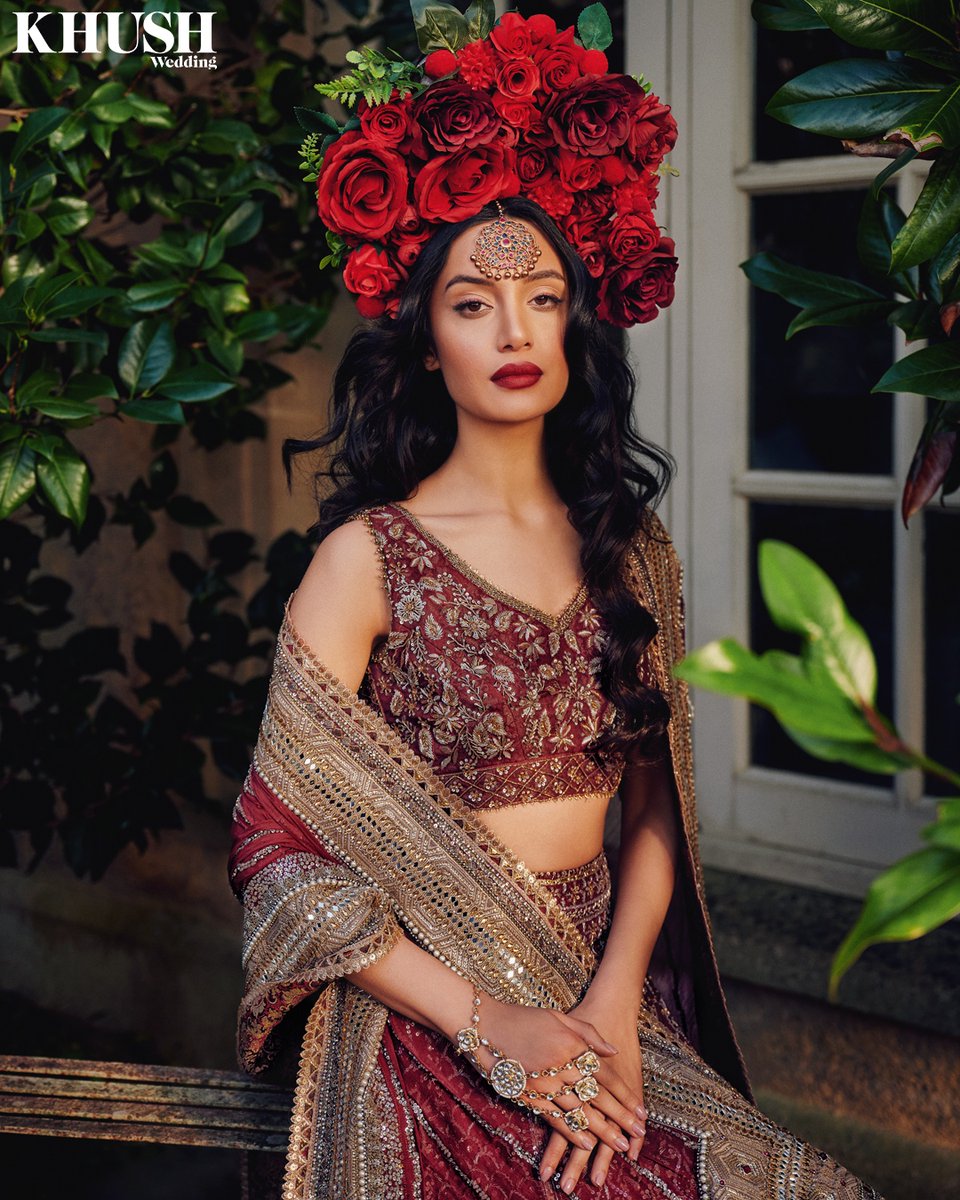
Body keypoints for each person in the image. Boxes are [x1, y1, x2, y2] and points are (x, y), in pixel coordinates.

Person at [229, 8, 883, 1199]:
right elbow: (276, 854)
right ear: (427, 342)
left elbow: (654, 804)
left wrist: (615, 1013)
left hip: (602, 995)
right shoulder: (367, 560)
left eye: (539, 296)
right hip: (431, 1011)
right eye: (472, 304)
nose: (513, 329)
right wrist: (490, 1024)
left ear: (577, 326)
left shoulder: (630, 548)